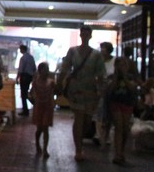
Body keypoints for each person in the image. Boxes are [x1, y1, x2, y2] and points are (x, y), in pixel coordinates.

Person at [57, 25, 105, 162]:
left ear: (90, 36)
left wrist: (100, 89)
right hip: (76, 89)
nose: (84, 36)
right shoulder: (72, 51)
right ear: (80, 35)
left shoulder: (96, 54)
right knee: (79, 118)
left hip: (90, 90)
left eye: (87, 34)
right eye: (83, 33)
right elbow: (65, 67)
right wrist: (60, 82)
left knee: (87, 120)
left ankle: (80, 144)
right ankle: (78, 149)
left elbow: (100, 73)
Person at [107, 56, 141, 165]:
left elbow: (132, 88)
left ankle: (121, 152)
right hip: (116, 103)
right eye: (120, 65)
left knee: (125, 128)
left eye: (124, 65)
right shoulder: (112, 77)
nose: (122, 68)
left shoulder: (131, 77)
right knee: (119, 127)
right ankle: (117, 154)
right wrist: (116, 77)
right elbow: (109, 89)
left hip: (127, 103)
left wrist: (125, 77)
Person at [93, 41, 116, 146]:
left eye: (104, 49)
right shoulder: (98, 61)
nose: (102, 51)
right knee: (99, 112)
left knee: (108, 113)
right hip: (100, 89)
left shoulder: (115, 61)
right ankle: (98, 134)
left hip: (111, 90)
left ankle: (106, 136)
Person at [31, 61, 55, 157]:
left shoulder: (51, 82)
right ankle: (37, 143)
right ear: (40, 71)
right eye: (45, 70)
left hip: (48, 107)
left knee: (45, 128)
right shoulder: (35, 82)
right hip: (39, 107)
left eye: (47, 70)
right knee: (39, 128)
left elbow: (56, 91)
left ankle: (45, 149)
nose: (47, 72)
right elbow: (31, 93)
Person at [16, 44, 36, 116]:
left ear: (22, 50)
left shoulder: (23, 58)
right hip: (30, 77)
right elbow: (34, 68)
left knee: (23, 94)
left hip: (24, 76)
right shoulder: (31, 57)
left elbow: (21, 69)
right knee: (26, 92)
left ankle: (25, 110)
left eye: (20, 49)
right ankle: (33, 104)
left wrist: (17, 78)